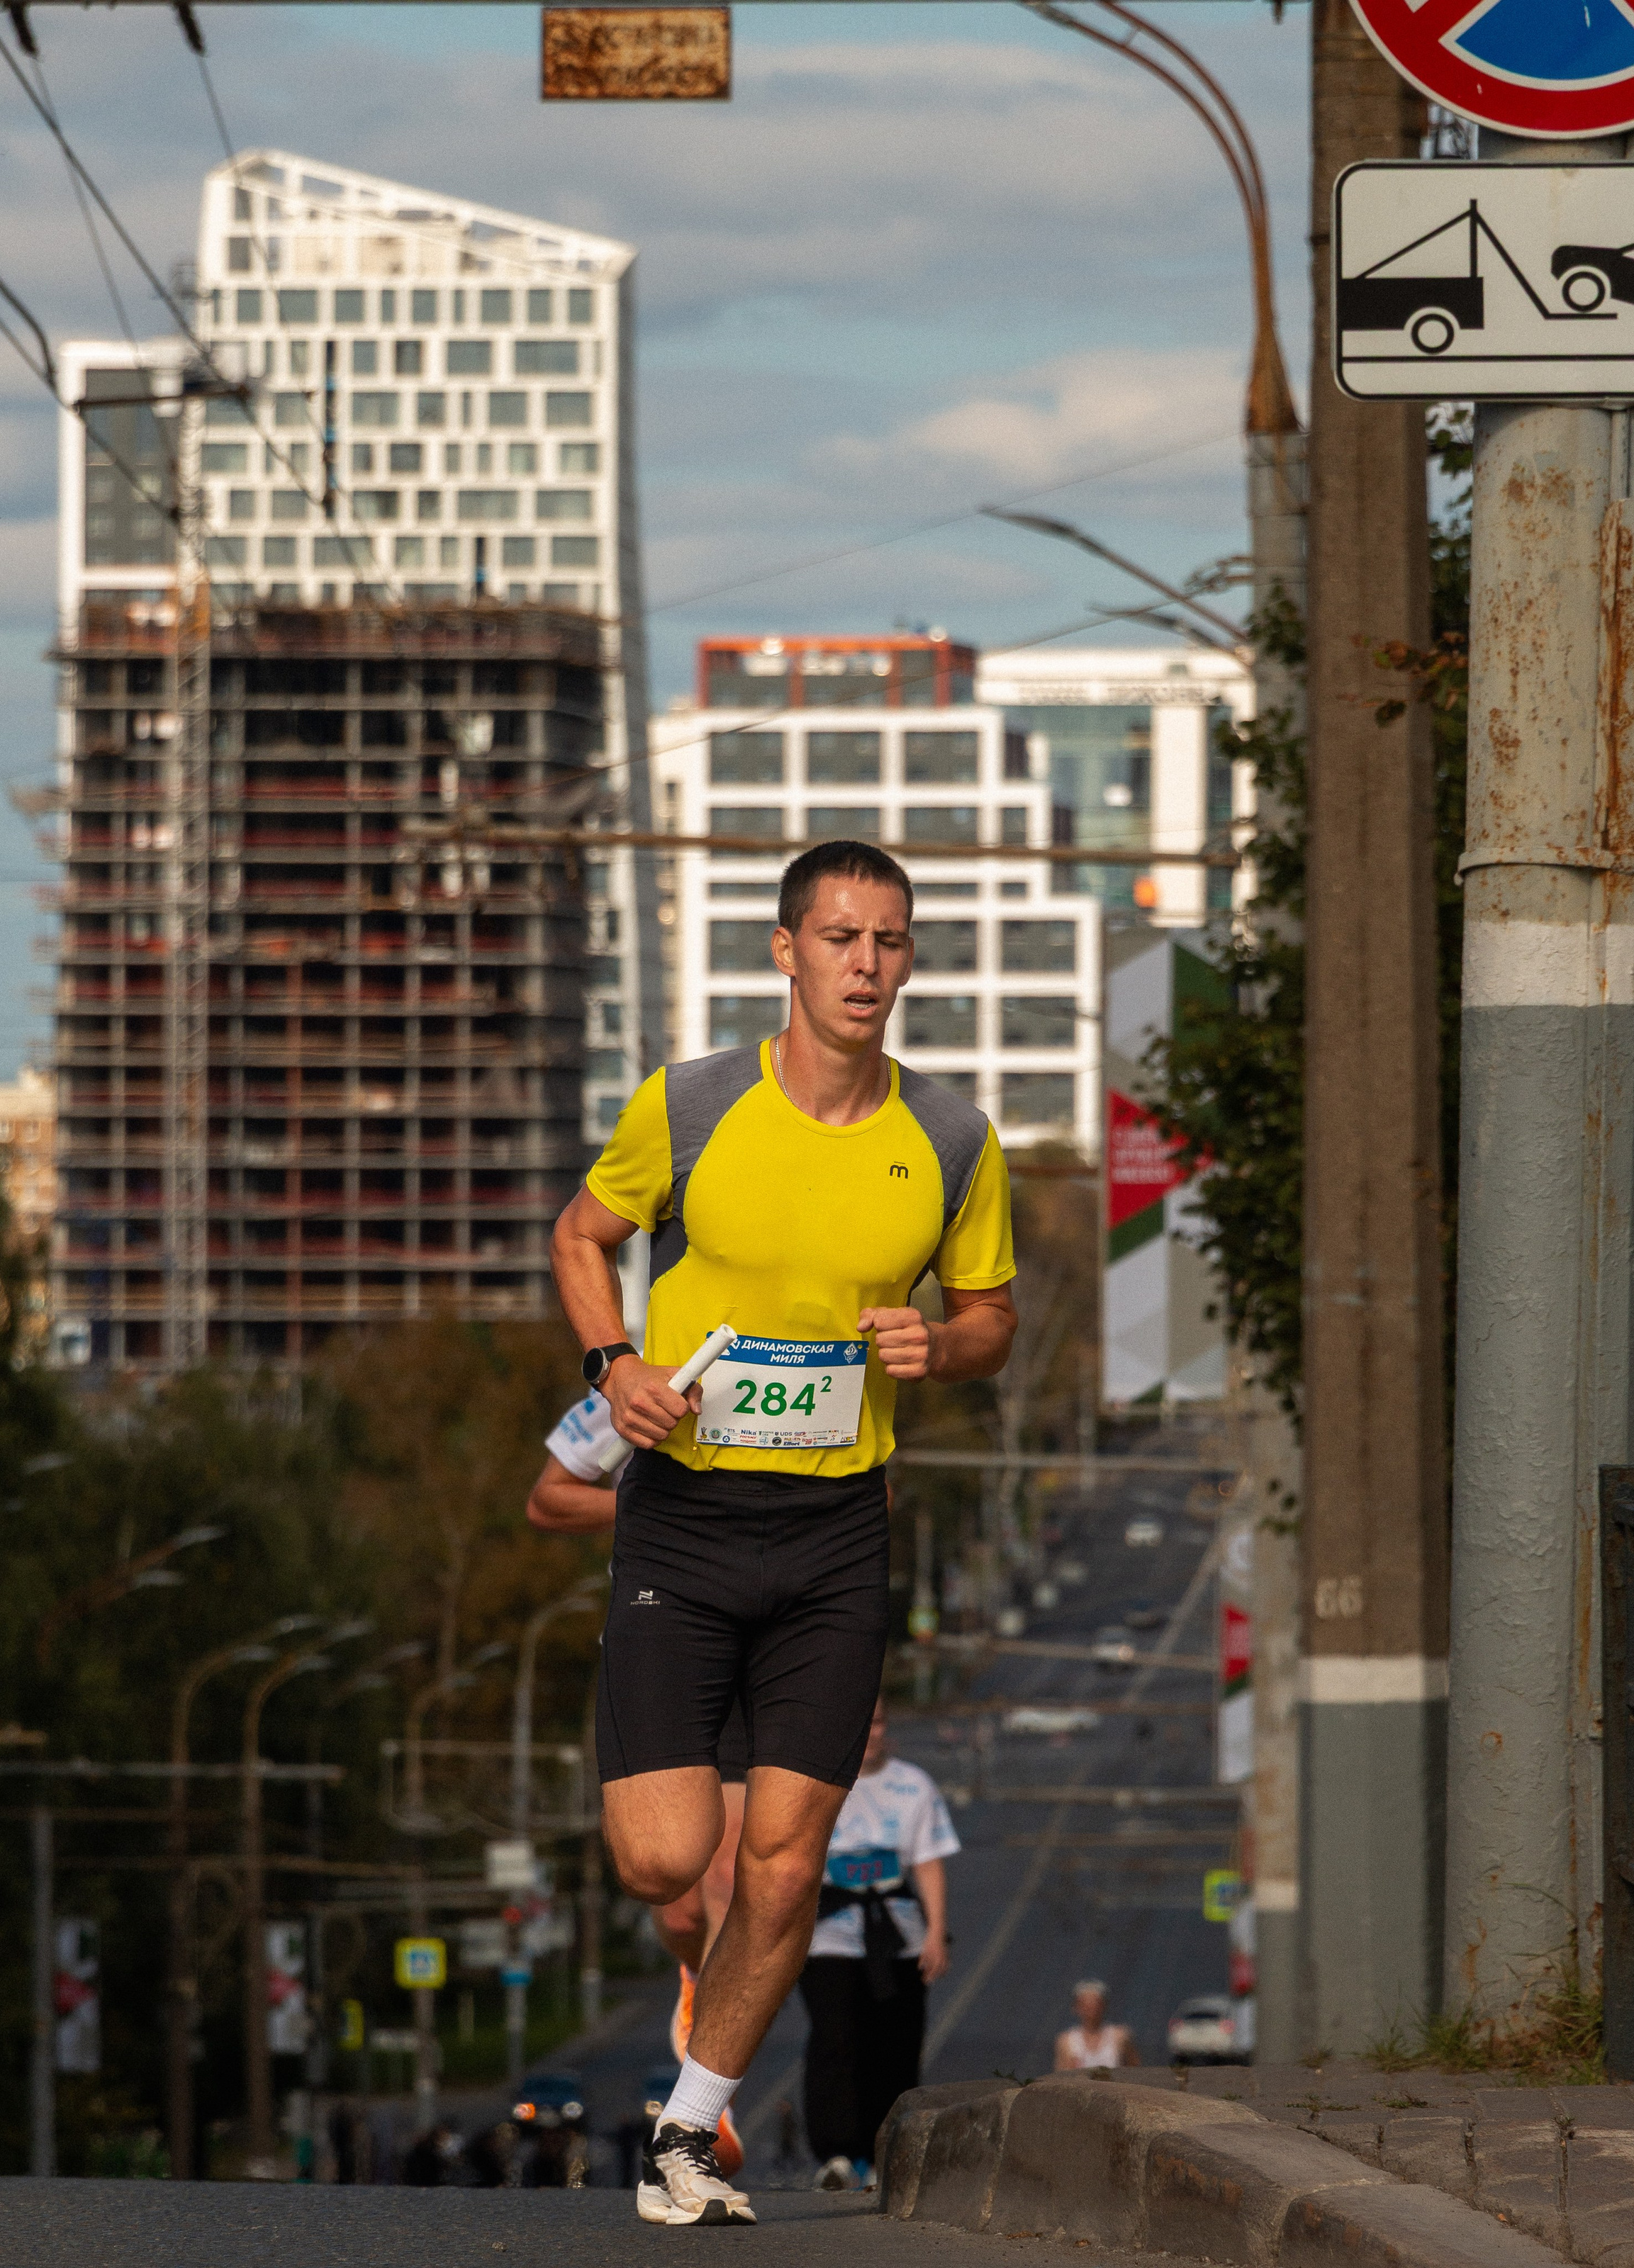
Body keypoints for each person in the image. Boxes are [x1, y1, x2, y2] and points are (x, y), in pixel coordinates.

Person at [549, 838, 1019, 2228]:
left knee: (789, 1862)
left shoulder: (945, 1138)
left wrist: (944, 1340)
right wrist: (611, 1363)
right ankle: (691, 2072)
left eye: (887, 940)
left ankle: (687, 2130)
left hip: (833, 1533)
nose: (865, 964)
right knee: (659, 1855)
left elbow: (992, 1316)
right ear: (785, 952)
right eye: (839, 937)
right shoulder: (690, 1106)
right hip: (684, 1522)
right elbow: (581, 1236)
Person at [526, 1390, 748, 2177]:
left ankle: (705, 2102)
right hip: (663, 1636)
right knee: (676, 1888)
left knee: (732, 1873)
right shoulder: (638, 1382)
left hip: (767, 1639)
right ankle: (694, 1972)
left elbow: (875, 1487)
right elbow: (548, 1496)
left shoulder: (807, 1347)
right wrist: (652, 1507)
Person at [800, 1695, 956, 2191]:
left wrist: (935, 1933)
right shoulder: (814, 1786)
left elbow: (928, 1863)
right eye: (860, 1725)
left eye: (879, 1724)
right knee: (837, 2037)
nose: (870, 1734)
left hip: (898, 1937)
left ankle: (887, 2148)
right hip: (830, 1936)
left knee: (895, 2045)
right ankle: (837, 2152)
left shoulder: (914, 1786)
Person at [1054, 1979, 1138, 2071]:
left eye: (1095, 2003)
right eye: (1085, 2004)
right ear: (1076, 2007)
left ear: (1104, 2006)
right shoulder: (1066, 2041)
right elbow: (1060, 2076)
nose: (1091, 2009)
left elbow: (1135, 2070)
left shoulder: (1120, 2036)